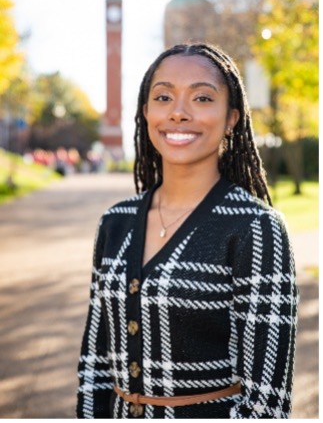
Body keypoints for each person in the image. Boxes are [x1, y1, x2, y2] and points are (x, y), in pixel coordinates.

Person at [76, 43, 298, 419]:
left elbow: (266, 405)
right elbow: (94, 367)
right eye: (163, 97)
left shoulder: (256, 228)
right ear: (146, 112)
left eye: (201, 98)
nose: (178, 113)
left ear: (232, 117)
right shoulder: (115, 222)